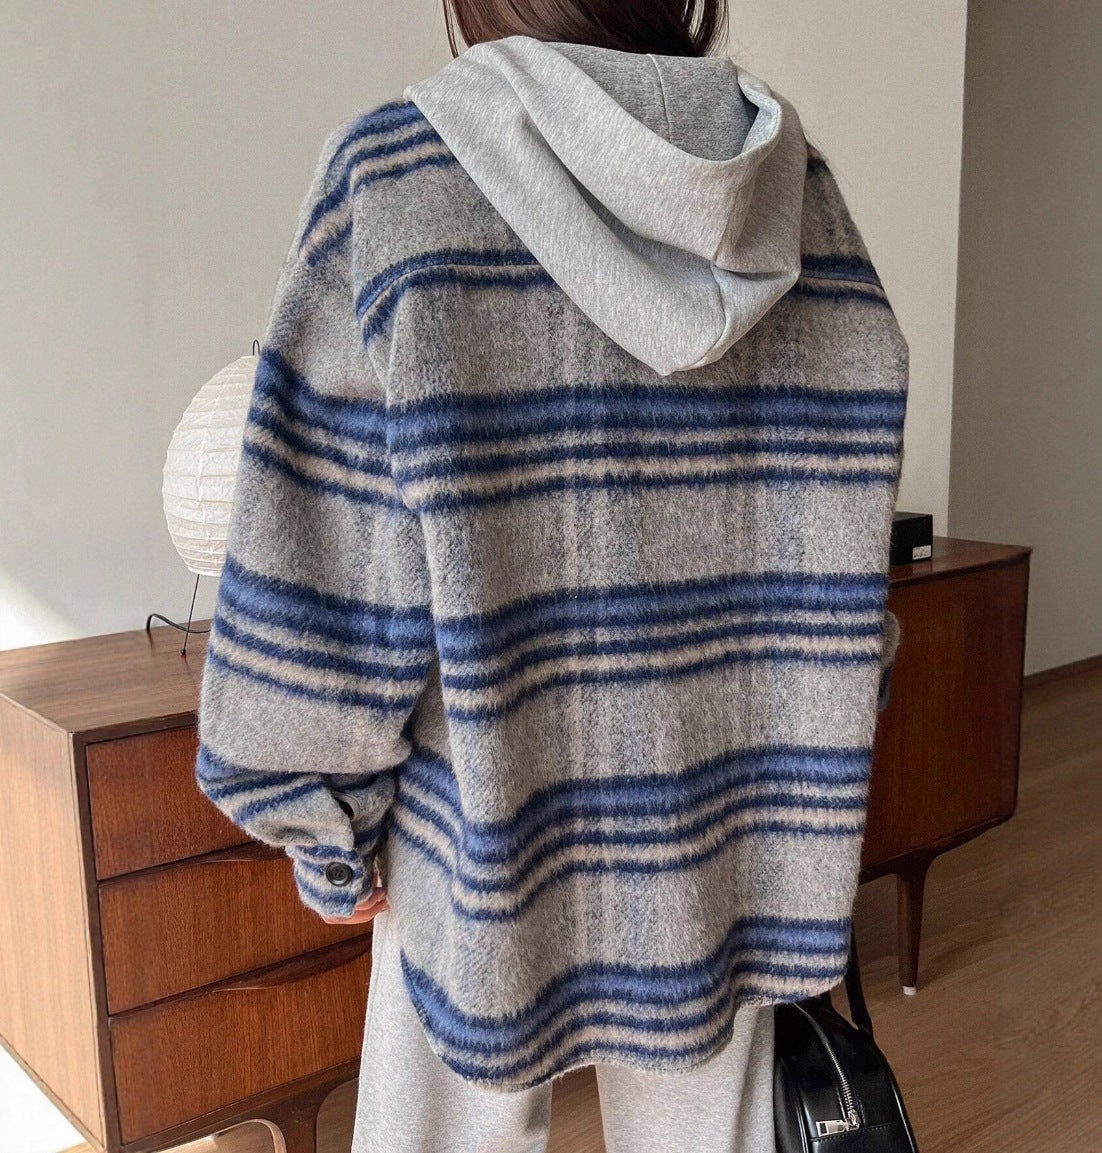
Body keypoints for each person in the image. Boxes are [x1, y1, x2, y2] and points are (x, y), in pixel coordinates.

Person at [193, 1, 908, 1150]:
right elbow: (845, 512)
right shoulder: (793, 192)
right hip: (725, 828)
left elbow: (323, 552)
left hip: (479, 825)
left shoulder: (399, 176)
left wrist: (322, 826)